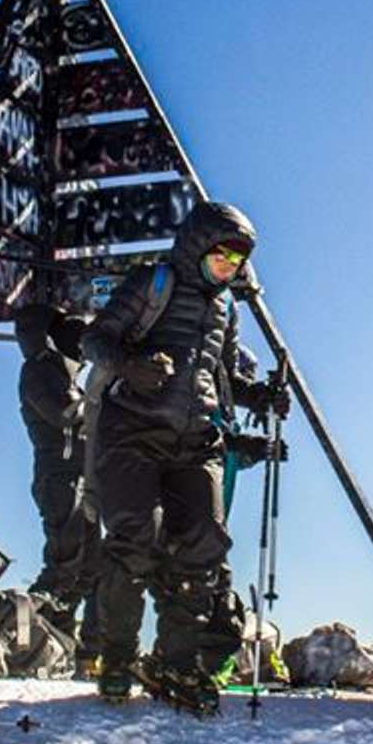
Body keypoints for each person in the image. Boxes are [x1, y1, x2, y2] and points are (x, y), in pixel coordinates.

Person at [82, 200, 285, 712]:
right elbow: (95, 338)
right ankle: (116, 659)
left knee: (203, 546)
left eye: (237, 262)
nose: (228, 268)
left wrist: (260, 396)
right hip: (132, 433)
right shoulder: (153, 283)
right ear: (197, 246)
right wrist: (132, 365)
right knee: (134, 541)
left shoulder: (226, 308)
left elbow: (223, 378)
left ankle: (176, 663)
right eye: (221, 257)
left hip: (195, 441)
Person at [14, 303, 102, 673]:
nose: (83, 349)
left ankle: (66, 647)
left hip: (82, 477)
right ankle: (21, 639)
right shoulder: (40, 370)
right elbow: (64, 414)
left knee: (92, 568)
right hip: (59, 477)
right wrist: (101, 404)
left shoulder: (67, 377)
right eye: (78, 340)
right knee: (65, 565)